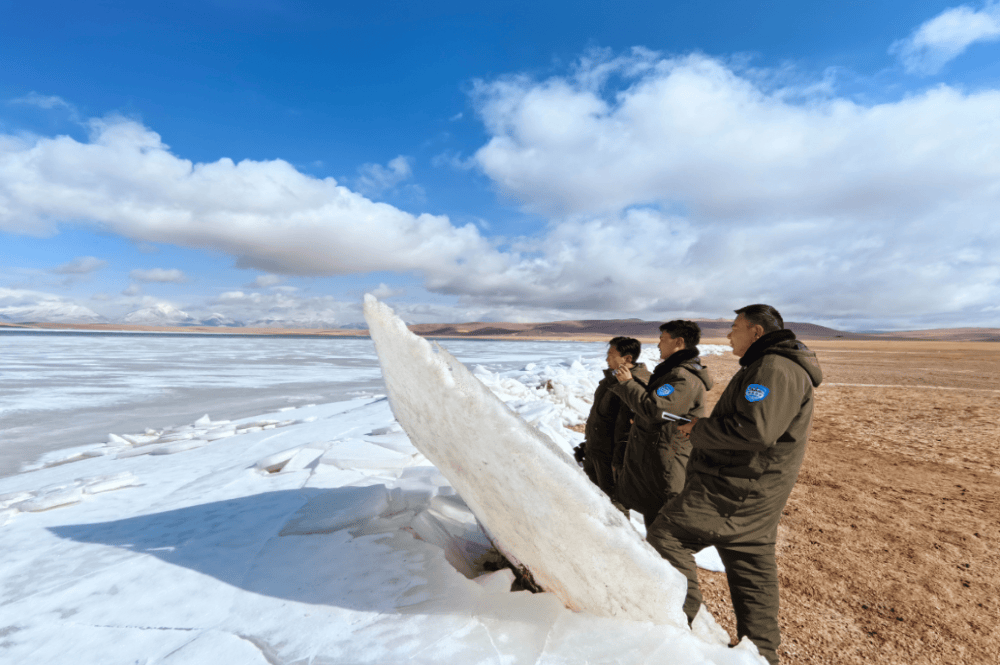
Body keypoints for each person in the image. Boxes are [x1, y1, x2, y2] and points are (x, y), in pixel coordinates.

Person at [646, 304, 823, 665]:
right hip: (758, 488)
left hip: (736, 488)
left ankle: (681, 625)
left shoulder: (774, 367)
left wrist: (699, 430)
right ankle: (760, 654)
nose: (729, 334)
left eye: (735, 327)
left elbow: (756, 429)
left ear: (756, 332)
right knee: (750, 562)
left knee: (667, 535)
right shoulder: (774, 365)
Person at [610, 321, 712, 527]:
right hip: (653, 461)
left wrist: (628, 384)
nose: (658, 344)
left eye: (662, 339)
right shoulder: (671, 372)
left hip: (665, 465)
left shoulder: (682, 378)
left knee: (660, 526)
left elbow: (655, 410)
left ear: (679, 342)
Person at [577, 336, 650, 513]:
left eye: (611, 354)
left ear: (628, 359)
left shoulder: (637, 384)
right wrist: (589, 446)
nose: (607, 359)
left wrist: (621, 459)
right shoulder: (611, 380)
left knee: (615, 507)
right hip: (597, 452)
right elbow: (603, 419)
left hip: (614, 458)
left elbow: (633, 425)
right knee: (593, 502)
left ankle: (622, 541)